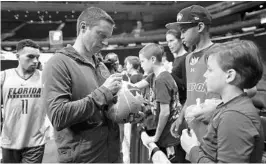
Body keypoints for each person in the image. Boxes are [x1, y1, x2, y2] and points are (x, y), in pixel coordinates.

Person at [41, 7, 123, 163]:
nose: (105, 42)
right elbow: (58, 116)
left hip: (111, 155)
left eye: (108, 37)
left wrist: (127, 111)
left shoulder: (101, 65)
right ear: (83, 27)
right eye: (101, 35)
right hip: (83, 159)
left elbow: (105, 109)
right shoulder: (58, 64)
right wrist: (104, 92)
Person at [180, 40, 264, 163]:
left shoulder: (235, 117)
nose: (205, 74)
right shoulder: (230, 108)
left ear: (229, 76)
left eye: (210, 69)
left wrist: (192, 149)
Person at [166, 5, 221, 142]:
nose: (181, 36)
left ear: (200, 27)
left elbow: (247, 91)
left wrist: (217, 109)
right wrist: (180, 118)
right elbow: (191, 95)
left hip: (215, 132)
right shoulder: (188, 58)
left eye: (184, 31)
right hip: (194, 134)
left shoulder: (220, 53)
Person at [131, 43, 181, 162]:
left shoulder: (161, 80)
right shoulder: (154, 75)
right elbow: (135, 86)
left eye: (142, 61)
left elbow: (165, 113)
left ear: (152, 59)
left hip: (169, 136)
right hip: (167, 132)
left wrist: (155, 137)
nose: (141, 65)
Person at [0, 39, 47, 163]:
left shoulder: (45, 77)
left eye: (37, 57)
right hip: (9, 142)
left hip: (35, 143)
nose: (35, 61)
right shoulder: (4, 76)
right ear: (17, 56)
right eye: (30, 57)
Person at [166, 29, 188, 106]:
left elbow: (186, 85)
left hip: (184, 103)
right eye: (167, 42)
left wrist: (169, 73)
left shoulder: (186, 57)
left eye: (171, 41)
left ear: (180, 40)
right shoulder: (176, 59)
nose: (169, 44)